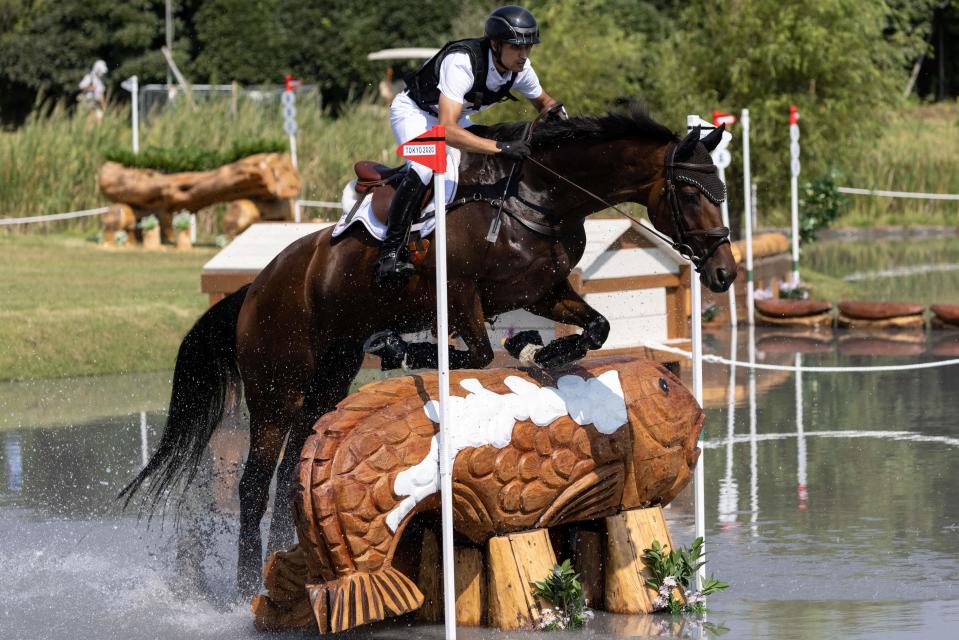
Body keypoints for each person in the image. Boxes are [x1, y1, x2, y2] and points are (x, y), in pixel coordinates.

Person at [376, 5, 565, 287]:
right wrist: (501, 147)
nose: (524, 55)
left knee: (487, 155)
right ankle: (390, 252)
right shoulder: (462, 62)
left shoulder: (520, 69)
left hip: (454, 119)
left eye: (528, 47)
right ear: (495, 44)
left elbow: (546, 104)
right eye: (516, 47)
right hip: (415, 113)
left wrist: (565, 121)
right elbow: (447, 131)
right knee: (426, 167)